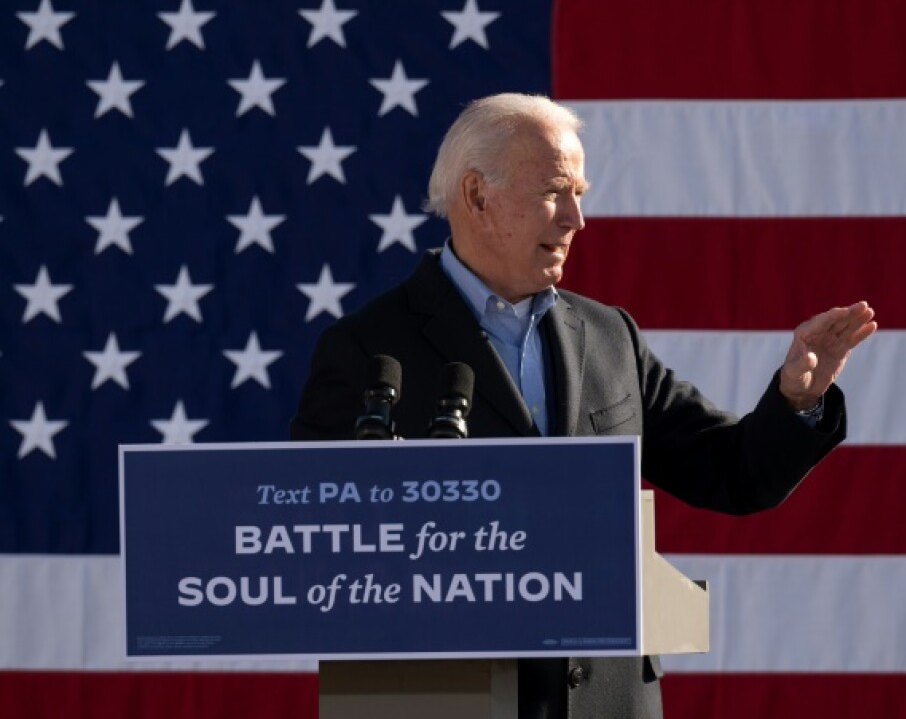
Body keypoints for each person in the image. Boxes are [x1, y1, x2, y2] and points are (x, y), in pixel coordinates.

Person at [291, 93, 876, 718]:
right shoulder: (368, 348)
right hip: (448, 698)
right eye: (554, 191)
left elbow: (732, 473)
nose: (577, 218)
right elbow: (322, 540)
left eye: (580, 193)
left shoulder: (608, 336)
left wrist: (795, 401)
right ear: (477, 196)